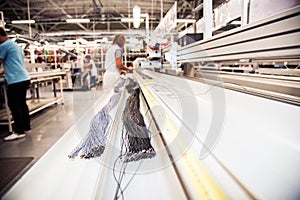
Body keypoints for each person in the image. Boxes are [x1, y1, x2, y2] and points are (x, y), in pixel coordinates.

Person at [0, 27, 31, 141]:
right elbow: (14, 63)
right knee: (22, 103)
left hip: (15, 80)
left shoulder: (3, 46)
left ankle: (18, 131)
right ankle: (26, 127)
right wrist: (5, 70)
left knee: (13, 104)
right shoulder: (16, 46)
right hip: (24, 77)